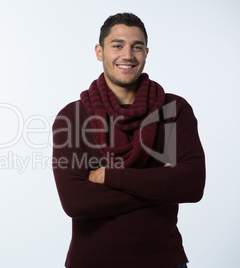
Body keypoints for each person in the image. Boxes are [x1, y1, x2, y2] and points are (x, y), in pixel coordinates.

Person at [52, 13, 205, 268]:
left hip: (165, 261)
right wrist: (162, 184)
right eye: (118, 45)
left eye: (137, 47)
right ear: (99, 52)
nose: (128, 55)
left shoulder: (172, 110)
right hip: (92, 263)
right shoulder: (73, 116)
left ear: (146, 53)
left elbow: (192, 183)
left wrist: (109, 177)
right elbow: (75, 201)